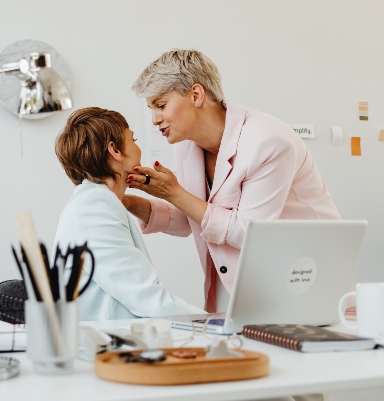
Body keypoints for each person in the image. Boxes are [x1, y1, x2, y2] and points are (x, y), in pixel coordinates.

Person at [124, 49, 340, 314]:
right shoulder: (186, 147)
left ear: (196, 95)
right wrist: (126, 200)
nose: (155, 119)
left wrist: (174, 192)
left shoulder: (268, 141)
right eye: (151, 109)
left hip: (302, 280)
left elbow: (247, 232)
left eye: (160, 105)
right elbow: (194, 218)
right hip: (237, 286)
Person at [53, 107, 205, 320]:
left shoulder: (98, 201)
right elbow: (147, 300)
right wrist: (215, 322)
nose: (139, 149)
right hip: (105, 344)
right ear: (114, 150)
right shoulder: (95, 206)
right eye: (133, 139)